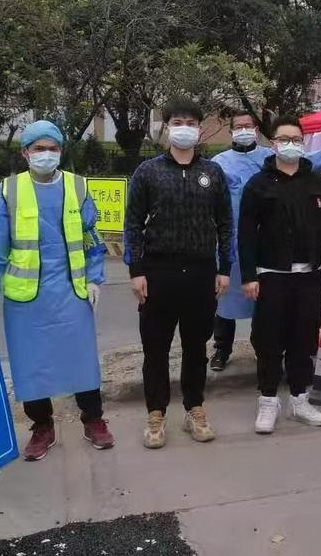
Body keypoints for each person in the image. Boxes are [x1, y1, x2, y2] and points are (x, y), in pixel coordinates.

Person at [0, 120, 113, 461]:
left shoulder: (77, 186)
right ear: (26, 152)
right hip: (26, 296)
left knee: (82, 358)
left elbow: (91, 237)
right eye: (39, 148)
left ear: (61, 151)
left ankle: (93, 420)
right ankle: (41, 427)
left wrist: (94, 278)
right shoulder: (6, 191)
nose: (46, 154)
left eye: (53, 148)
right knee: (30, 362)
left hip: (71, 290)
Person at [125, 98, 232, 448]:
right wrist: (136, 270)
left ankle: (194, 408)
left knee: (195, 347)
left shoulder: (212, 172)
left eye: (190, 123)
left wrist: (225, 268)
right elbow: (133, 224)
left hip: (201, 273)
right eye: (177, 122)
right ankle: (156, 413)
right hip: (158, 273)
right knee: (155, 348)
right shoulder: (148, 172)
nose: (184, 128)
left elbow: (225, 223)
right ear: (166, 128)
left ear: (199, 129)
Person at [209, 110, 321, 371]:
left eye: (249, 125)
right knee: (227, 298)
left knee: (263, 303)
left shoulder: (270, 157)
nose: (244, 130)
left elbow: (308, 163)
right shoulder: (219, 162)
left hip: (269, 243)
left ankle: (262, 349)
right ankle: (222, 348)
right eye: (239, 126)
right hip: (232, 241)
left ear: (257, 130)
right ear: (231, 131)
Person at [239, 115, 321, 434]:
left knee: (304, 339)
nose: (291, 145)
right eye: (284, 139)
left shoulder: (316, 182)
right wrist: (249, 275)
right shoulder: (259, 184)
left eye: (296, 140)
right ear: (273, 144)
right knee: (269, 341)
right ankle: (268, 400)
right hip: (271, 276)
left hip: (308, 276)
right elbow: (246, 233)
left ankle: (300, 399)